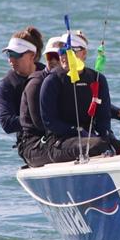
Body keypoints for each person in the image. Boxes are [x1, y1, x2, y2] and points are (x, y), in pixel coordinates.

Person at [39, 30, 116, 163]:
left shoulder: (97, 79)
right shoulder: (52, 81)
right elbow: (49, 121)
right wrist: (77, 131)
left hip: (91, 139)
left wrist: (107, 136)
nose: (64, 55)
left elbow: (103, 117)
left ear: (84, 53)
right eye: (62, 51)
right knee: (99, 145)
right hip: (59, 142)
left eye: (70, 50)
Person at [18, 36, 63, 167]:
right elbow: (40, 123)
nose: (53, 61)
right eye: (49, 57)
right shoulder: (36, 83)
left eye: (57, 56)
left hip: (58, 138)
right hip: (35, 144)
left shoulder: (67, 80)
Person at [0, 26, 45, 146]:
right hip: (29, 141)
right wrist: (40, 118)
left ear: (32, 55)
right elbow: (7, 123)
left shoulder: (48, 75)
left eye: (16, 55)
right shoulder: (7, 84)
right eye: (9, 54)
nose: (11, 60)